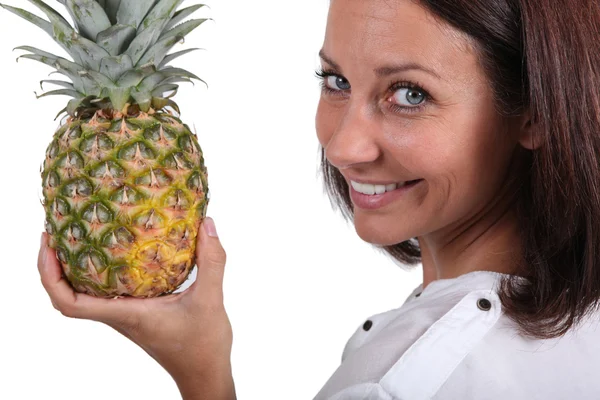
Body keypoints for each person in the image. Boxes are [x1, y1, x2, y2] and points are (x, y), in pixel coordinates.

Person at [37, 0, 600, 398]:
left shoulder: (397, 386)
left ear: (536, 109)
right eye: (335, 80)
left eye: (409, 94)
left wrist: (200, 374)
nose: (343, 147)